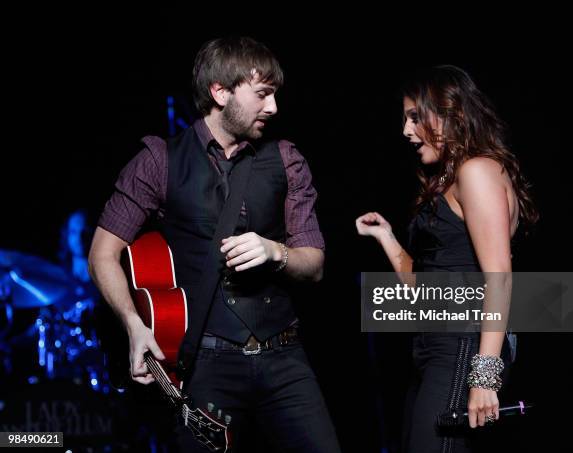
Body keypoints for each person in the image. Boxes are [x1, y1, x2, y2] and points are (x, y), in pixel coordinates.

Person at [88, 36, 341, 452]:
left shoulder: (286, 158)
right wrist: (134, 326)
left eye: (274, 95)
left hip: (284, 358)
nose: (274, 108)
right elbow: (102, 254)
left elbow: (314, 264)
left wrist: (278, 252)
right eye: (262, 94)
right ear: (219, 92)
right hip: (206, 364)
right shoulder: (158, 160)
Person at [356, 65, 538, 452]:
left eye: (414, 116)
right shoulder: (451, 179)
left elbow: (499, 275)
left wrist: (485, 374)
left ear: (449, 112)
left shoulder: (477, 170)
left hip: (463, 344)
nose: (406, 131)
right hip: (435, 343)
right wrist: (387, 238)